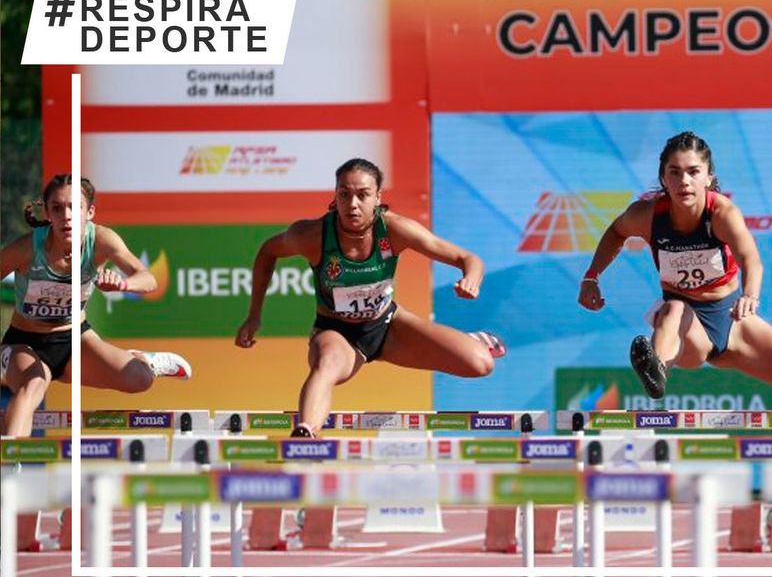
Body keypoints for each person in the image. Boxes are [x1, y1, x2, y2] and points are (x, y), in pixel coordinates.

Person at [235, 158, 505, 437]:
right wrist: (254, 315)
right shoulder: (313, 235)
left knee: (481, 365)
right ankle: (306, 434)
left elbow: (467, 258)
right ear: (335, 195)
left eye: (362, 195)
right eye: (344, 194)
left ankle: (470, 341)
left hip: (389, 327)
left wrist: (471, 279)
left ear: (378, 197)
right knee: (325, 366)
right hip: (337, 333)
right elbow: (268, 252)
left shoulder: (395, 229)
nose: (352, 203)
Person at [578, 131, 772, 410]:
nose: (684, 182)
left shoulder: (722, 214)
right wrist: (591, 276)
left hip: (733, 321)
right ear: (663, 179)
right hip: (687, 330)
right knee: (673, 309)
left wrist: (750, 296)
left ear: (708, 177)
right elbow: (616, 232)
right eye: (675, 172)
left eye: (693, 172)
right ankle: (656, 370)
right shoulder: (646, 215)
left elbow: (751, 259)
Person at [0, 175, 191, 437]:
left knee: (140, 379)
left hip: (75, 339)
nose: (66, 216)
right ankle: (12, 470)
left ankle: (145, 360)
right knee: (32, 385)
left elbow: (148, 279)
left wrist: (122, 285)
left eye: (74, 207)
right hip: (25, 343)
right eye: (57, 208)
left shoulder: (101, 240)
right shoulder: (26, 249)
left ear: (89, 212)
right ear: (47, 212)